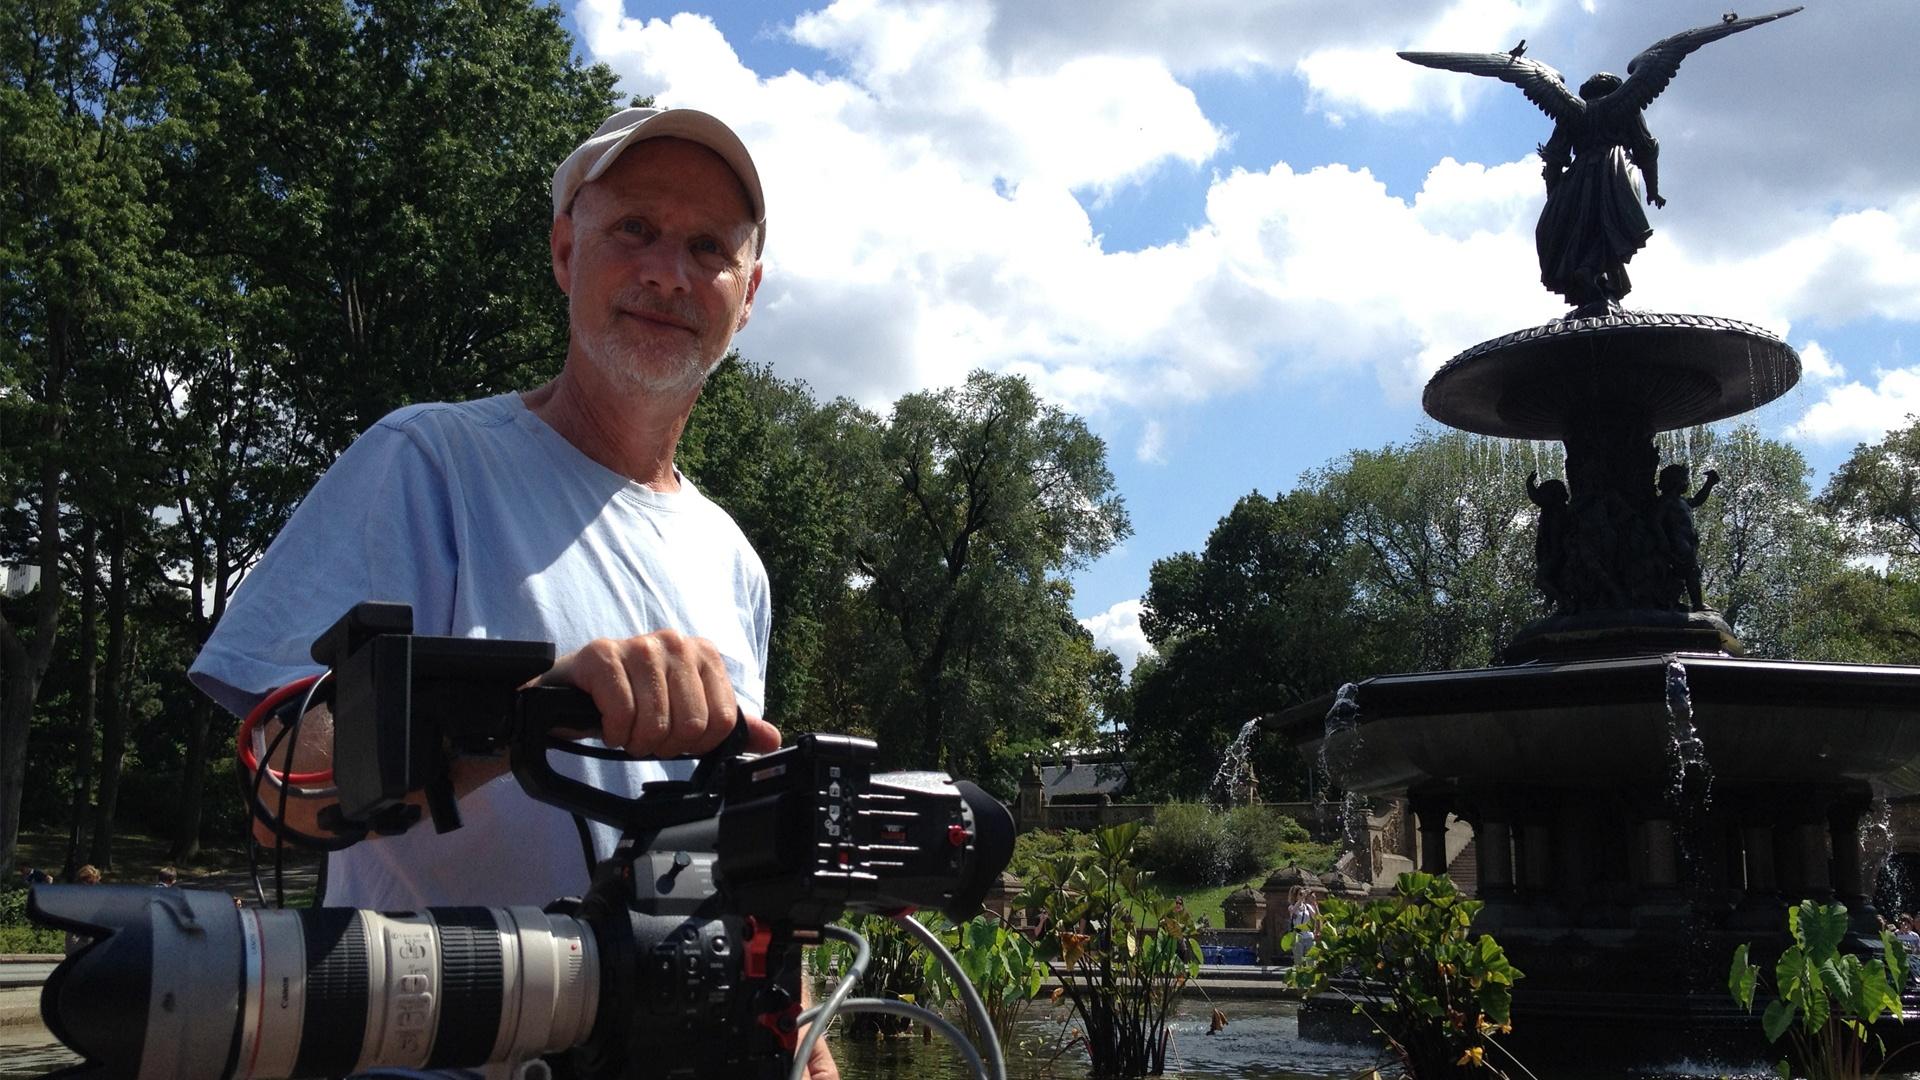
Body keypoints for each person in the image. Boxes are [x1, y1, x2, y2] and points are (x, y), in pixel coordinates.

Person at [190, 105, 837, 1079]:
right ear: (566, 251)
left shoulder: (732, 560)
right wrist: (525, 714)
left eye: (709, 246)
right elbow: (283, 786)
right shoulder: (429, 463)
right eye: (635, 230)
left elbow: (727, 884)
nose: (668, 271)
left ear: (746, 298)